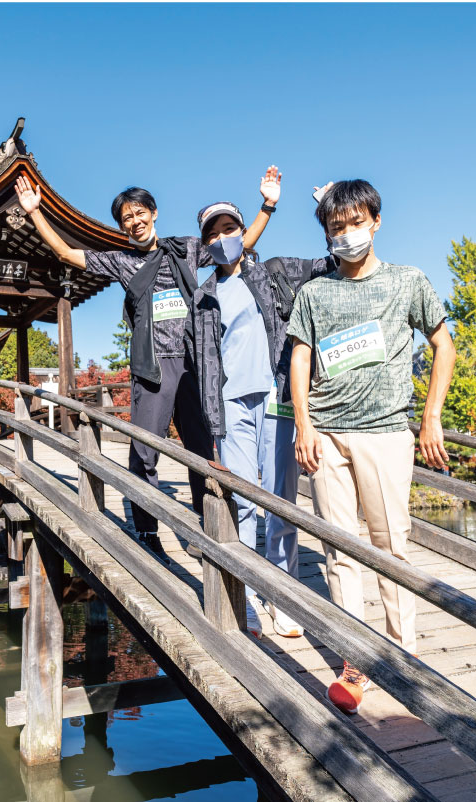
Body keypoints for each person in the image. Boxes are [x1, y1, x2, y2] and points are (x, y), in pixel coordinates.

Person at [14, 169, 281, 556]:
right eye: (126, 218)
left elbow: (239, 245)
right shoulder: (121, 261)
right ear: (122, 226)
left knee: (201, 449)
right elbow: (65, 254)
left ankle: (203, 527)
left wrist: (267, 206)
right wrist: (36, 213)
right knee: (145, 449)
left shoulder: (186, 249)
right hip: (152, 367)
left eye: (140, 213)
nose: (135, 222)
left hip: (194, 364)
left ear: (153, 213)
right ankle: (147, 529)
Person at [287, 179, 456, 715]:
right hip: (327, 434)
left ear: (376, 222)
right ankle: (355, 659)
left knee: (391, 547)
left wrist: (430, 417)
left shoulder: (408, 282)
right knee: (340, 551)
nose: (347, 234)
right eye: (337, 227)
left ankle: (404, 657)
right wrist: (303, 424)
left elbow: (443, 344)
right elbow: (300, 360)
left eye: (355, 223)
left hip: (386, 431)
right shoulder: (314, 292)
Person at [191, 195, 332, 639]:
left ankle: (284, 593)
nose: (221, 239)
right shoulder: (205, 295)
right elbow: (206, 360)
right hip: (233, 402)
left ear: (242, 233)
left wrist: (330, 208)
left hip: (276, 396)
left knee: (280, 496)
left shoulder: (270, 272)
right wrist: (211, 418)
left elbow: (329, 264)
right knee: (243, 498)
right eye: (212, 234)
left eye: (228, 229)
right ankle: (249, 591)